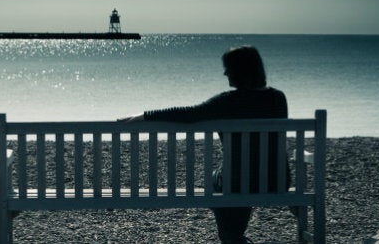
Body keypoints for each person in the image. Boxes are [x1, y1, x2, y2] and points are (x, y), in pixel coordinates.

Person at [120, 45, 288, 244]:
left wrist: (144, 116)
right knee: (241, 176)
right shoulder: (278, 98)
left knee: (218, 179)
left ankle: (232, 236)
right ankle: (233, 236)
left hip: (238, 183)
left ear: (239, 70)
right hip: (277, 181)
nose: (225, 72)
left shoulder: (227, 102)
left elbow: (189, 114)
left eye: (228, 68)